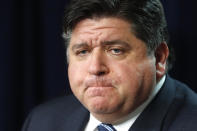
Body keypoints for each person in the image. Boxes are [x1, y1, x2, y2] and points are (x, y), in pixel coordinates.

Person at [22, 0, 197, 131]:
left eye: (115, 50)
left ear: (159, 59)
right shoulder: (42, 122)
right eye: (83, 52)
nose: (95, 68)